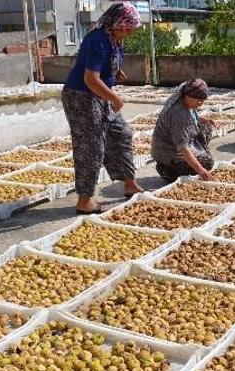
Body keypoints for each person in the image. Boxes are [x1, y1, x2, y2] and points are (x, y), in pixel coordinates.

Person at [61, 2, 143, 214]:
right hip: (82, 96)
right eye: (128, 28)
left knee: (122, 134)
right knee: (91, 146)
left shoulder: (113, 39)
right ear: (118, 23)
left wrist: (115, 72)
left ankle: (129, 183)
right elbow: (90, 79)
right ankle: (84, 199)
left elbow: (104, 65)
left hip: (99, 93)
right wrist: (115, 97)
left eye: (131, 29)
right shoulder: (97, 40)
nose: (129, 32)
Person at [151, 79, 216, 182]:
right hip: (169, 152)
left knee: (206, 127)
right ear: (188, 96)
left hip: (176, 142)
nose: (201, 104)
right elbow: (183, 147)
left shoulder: (184, 99)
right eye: (199, 101)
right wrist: (201, 170)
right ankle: (168, 170)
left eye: (203, 101)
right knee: (208, 163)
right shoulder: (178, 115)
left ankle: (191, 158)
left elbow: (192, 116)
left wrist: (204, 120)